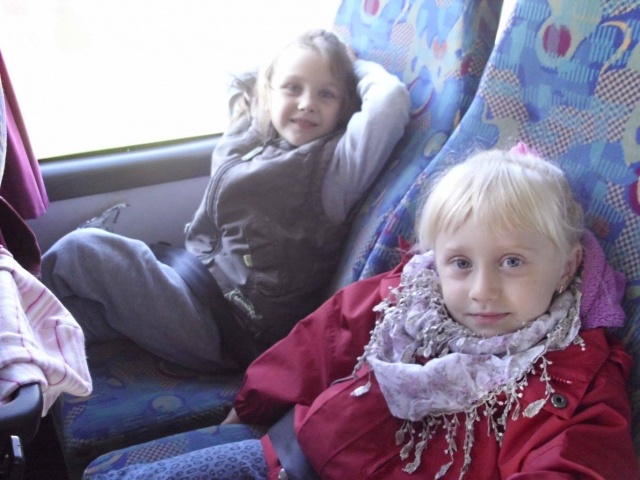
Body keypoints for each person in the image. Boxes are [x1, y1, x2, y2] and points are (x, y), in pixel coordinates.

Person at [85, 144, 638, 479]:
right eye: (461, 263)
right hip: (294, 460)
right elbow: (318, 342)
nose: (482, 291)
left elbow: (579, 461)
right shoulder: (405, 299)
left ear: (566, 268)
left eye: (512, 262)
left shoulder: (576, 372)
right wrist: (251, 405)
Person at [40, 29, 411, 372]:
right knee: (71, 317)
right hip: (192, 279)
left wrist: (353, 66)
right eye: (292, 88)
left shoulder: (334, 171)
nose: (306, 103)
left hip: (229, 327)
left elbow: (391, 102)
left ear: (345, 105)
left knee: (84, 250)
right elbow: (241, 78)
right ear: (269, 92)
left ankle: (23, 310)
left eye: (325, 94)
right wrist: (307, 59)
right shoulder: (254, 133)